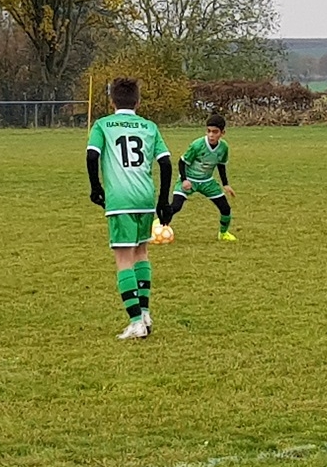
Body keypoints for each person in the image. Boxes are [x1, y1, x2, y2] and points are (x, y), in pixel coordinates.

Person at [86, 77, 173, 340]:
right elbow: (165, 163)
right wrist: (163, 201)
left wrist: (96, 188)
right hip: (145, 199)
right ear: (138, 101)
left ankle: (135, 322)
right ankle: (145, 313)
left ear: (112, 100)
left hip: (120, 200)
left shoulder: (103, 125)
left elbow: (92, 155)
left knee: (123, 258)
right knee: (141, 253)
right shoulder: (149, 126)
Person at [164, 114, 237, 241]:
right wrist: (184, 180)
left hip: (207, 182)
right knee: (176, 206)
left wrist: (225, 184)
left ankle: (223, 233)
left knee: (225, 208)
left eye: (215, 132)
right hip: (189, 180)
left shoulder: (223, 147)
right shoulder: (197, 145)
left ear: (222, 133)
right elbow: (182, 162)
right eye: (209, 131)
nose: (211, 135)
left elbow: (221, 165)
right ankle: (159, 224)